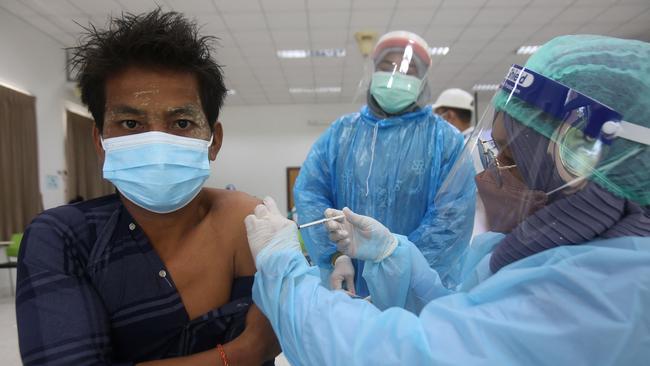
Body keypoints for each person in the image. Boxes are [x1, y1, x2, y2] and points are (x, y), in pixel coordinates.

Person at [245, 35, 650, 365]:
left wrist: (284, 272)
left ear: (574, 166)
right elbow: (465, 312)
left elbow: (404, 354)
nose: (485, 178)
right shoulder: (573, 252)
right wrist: (390, 254)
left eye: (506, 158)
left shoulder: (599, 295)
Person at [16, 10, 279, 366]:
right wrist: (240, 354)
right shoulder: (64, 238)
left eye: (182, 122)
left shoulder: (246, 222)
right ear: (100, 141)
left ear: (213, 141)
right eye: (130, 123)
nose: (156, 142)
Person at [294, 31, 475, 295]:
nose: (396, 75)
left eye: (409, 69)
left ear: (422, 79)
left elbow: (453, 218)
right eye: (386, 66)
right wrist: (336, 256)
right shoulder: (342, 133)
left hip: (419, 291)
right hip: (348, 284)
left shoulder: (445, 140)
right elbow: (310, 193)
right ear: (372, 72)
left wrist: (399, 267)